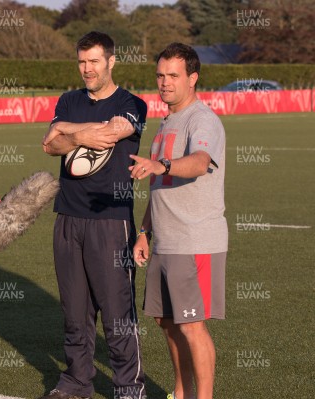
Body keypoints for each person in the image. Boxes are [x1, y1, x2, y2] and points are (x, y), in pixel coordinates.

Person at [41, 31, 147, 399]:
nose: (87, 69)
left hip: (110, 218)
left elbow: (116, 130)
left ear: (111, 62)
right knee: (75, 311)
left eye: (94, 62)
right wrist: (78, 134)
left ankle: (128, 388)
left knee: (117, 311)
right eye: (82, 62)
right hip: (68, 216)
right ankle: (76, 382)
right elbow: (49, 144)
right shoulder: (69, 100)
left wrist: (68, 132)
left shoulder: (132, 102)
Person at [131, 43, 227, 399]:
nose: (165, 82)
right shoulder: (167, 121)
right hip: (165, 241)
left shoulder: (202, 119)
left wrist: (163, 164)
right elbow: (158, 184)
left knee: (191, 325)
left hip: (196, 239)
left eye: (173, 75)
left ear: (193, 78)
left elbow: (200, 161)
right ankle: (180, 393)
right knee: (166, 322)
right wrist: (144, 232)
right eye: (160, 75)